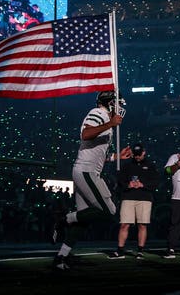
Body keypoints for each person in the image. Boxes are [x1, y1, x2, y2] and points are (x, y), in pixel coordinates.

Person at [52, 90, 129, 271]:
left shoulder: (105, 119)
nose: (120, 108)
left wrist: (116, 156)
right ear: (109, 103)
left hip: (88, 170)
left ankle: (61, 256)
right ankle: (64, 219)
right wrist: (110, 122)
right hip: (86, 171)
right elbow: (85, 134)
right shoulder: (98, 114)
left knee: (84, 219)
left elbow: (97, 152)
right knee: (109, 210)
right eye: (117, 104)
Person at [108, 142, 159, 259]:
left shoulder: (151, 165)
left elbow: (156, 182)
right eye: (135, 154)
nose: (137, 156)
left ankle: (140, 250)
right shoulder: (127, 166)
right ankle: (120, 250)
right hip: (128, 197)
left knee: (142, 225)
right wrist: (128, 185)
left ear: (144, 153)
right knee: (124, 224)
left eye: (139, 154)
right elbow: (120, 181)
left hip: (145, 198)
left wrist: (143, 184)